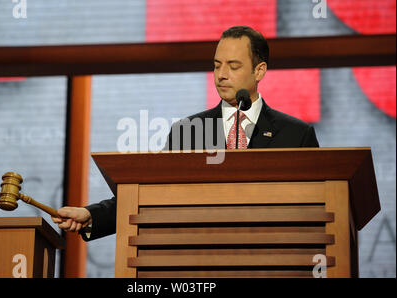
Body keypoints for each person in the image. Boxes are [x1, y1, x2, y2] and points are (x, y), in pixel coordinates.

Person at [52, 26, 319, 240]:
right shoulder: (187, 132)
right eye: (217, 65)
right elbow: (151, 195)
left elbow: (316, 209)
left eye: (233, 66)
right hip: (199, 260)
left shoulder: (296, 135)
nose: (221, 75)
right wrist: (92, 216)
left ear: (259, 70)